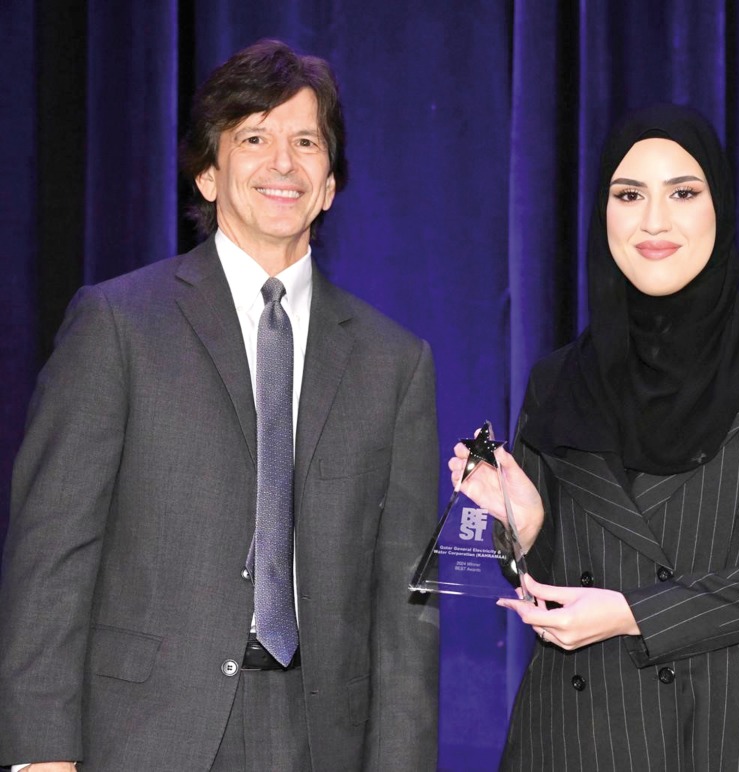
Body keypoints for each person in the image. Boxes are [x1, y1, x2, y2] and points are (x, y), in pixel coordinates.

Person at [0, 40, 438, 771]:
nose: (283, 164)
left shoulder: (394, 363)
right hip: (142, 733)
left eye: (306, 142)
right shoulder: (118, 324)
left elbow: (405, 610)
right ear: (209, 172)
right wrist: (42, 753)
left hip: (317, 737)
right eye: (254, 139)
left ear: (330, 184)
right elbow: (53, 555)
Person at [451, 104, 739, 771]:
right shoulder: (559, 380)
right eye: (629, 195)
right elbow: (550, 591)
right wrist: (525, 533)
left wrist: (638, 613)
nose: (653, 221)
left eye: (683, 193)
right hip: (586, 738)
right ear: (603, 213)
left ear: (720, 208)